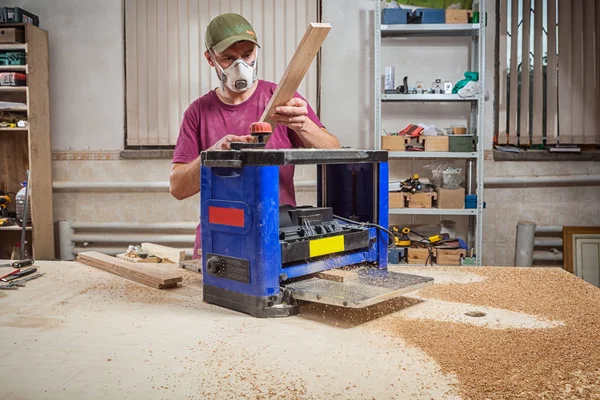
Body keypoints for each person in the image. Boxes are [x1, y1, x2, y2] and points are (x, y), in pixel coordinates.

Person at [169, 12, 340, 258]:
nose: (241, 65)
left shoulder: (281, 98)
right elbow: (177, 187)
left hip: (279, 233)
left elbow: (335, 153)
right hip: (219, 238)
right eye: (228, 58)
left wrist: (304, 126)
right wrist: (212, 157)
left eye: (247, 55)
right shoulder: (198, 112)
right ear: (210, 58)